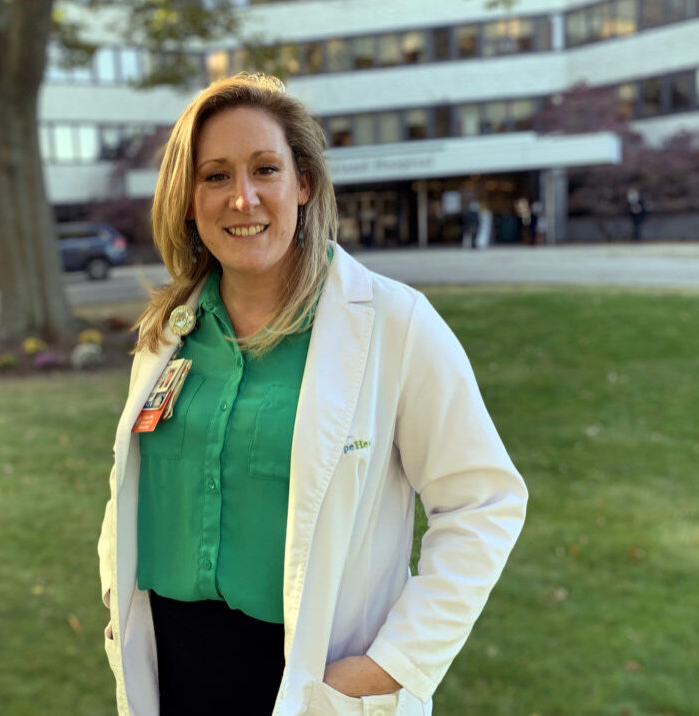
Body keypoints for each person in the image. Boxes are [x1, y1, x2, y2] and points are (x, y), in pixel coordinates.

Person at [98, 73, 527, 716]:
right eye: (215, 176)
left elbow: (483, 502)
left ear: (303, 184)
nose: (242, 199)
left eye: (264, 169)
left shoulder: (393, 323)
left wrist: (395, 663)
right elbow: (133, 489)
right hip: (172, 667)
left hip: (314, 679)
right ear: (188, 199)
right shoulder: (168, 333)